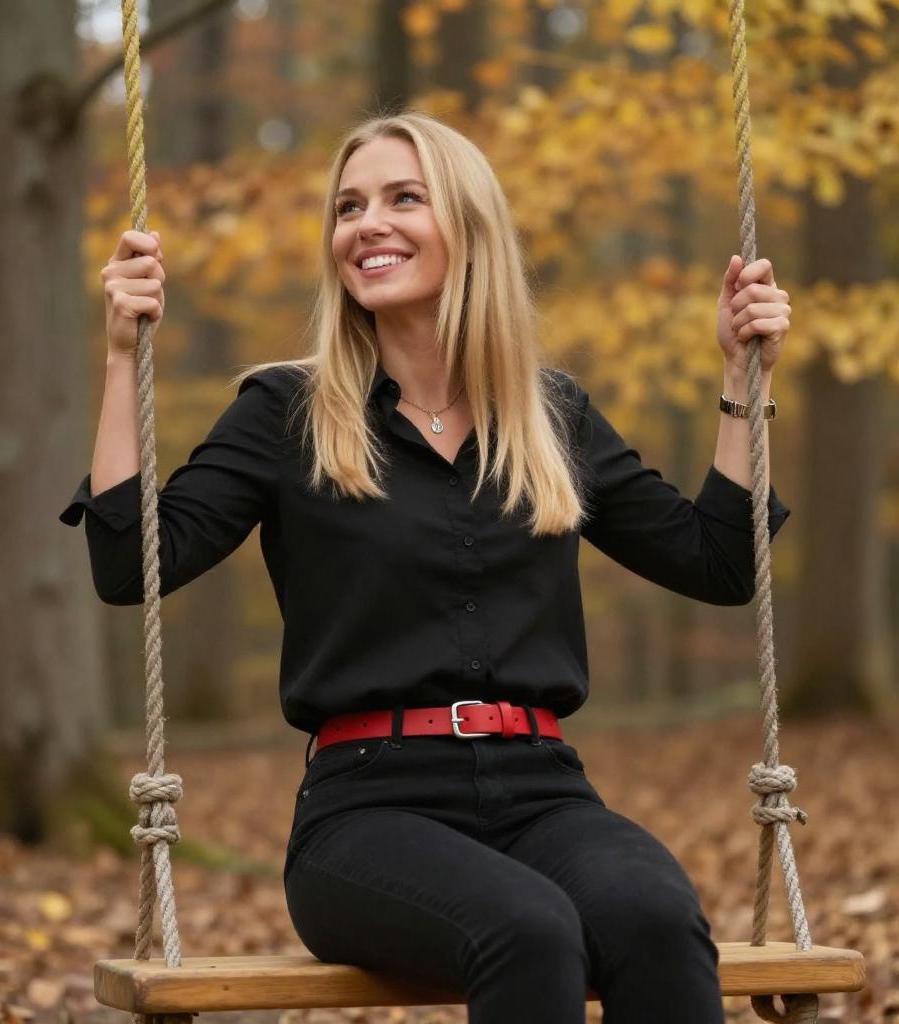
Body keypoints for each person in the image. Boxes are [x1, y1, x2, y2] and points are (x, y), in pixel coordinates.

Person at [59, 110, 792, 1023]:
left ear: (470, 226)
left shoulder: (548, 416)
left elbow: (719, 561)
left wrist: (739, 384)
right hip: (366, 809)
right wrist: (123, 360)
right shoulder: (286, 412)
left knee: (658, 921)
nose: (368, 224)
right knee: (527, 931)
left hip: (543, 789)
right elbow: (129, 565)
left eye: (405, 198)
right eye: (349, 206)